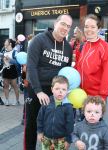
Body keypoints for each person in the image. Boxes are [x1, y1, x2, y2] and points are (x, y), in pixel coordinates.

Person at [24, 14, 73, 150]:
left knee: (53, 124)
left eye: (68, 26)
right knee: (32, 125)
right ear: (56, 23)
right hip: (36, 89)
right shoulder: (39, 40)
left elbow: (67, 72)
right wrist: (38, 91)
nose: (65, 28)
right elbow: (31, 67)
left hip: (55, 91)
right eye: (63, 24)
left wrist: (65, 92)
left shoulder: (68, 48)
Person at [76, 14, 108, 101]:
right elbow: (79, 67)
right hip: (81, 95)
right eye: (86, 26)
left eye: (93, 27)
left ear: (98, 29)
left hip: (96, 97)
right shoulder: (84, 45)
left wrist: (102, 96)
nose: (89, 30)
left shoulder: (105, 47)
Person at [37, 75, 74, 150]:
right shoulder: (46, 102)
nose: (60, 91)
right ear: (52, 89)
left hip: (61, 140)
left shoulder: (68, 106)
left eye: (63, 89)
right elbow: (40, 118)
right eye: (57, 89)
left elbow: (70, 125)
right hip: (46, 138)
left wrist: (68, 140)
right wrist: (40, 132)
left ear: (67, 91)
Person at [2, 39, 20, 106]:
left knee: (15, 85)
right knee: (5, 86)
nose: (4, 43)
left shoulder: (15, 52)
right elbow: (2, 62)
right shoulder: (3, 51)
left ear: (10, 44)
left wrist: (10, 59)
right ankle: (7, 100)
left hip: (12, 69)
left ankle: (17, 101)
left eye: (6, 42)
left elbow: (17, 62)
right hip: (5, 69)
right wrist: (3, 61)